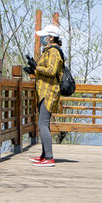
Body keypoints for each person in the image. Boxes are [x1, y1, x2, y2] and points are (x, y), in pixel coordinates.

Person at [28, 23, 64, 167]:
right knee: (43, 124)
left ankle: (49, 157)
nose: (42, 38)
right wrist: (33, 70)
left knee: (43, 124)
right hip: (44, 91)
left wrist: (36, 67)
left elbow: (51, 71)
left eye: (44, 36)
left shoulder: (54, 51)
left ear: (51, 37)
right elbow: (46, 71)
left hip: (49, 92)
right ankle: (44, 155)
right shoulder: (49, 50)